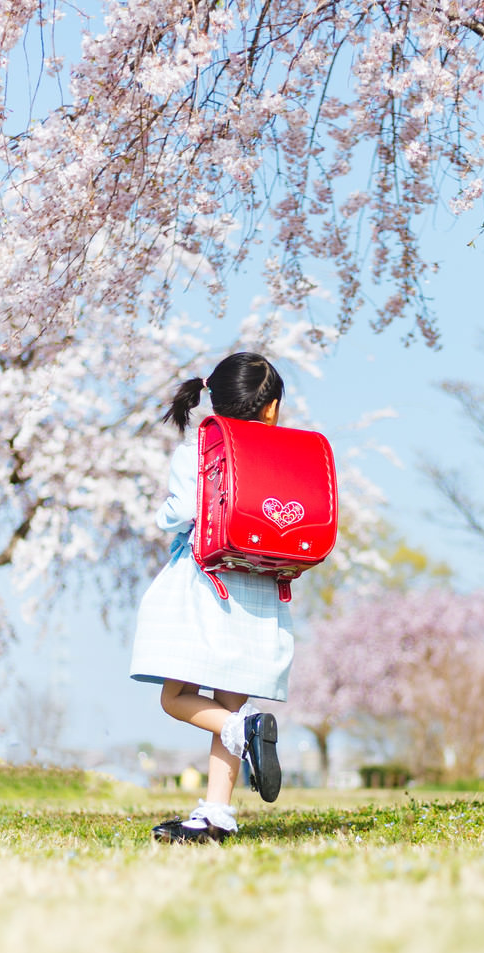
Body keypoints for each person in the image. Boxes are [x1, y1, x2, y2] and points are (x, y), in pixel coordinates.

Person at [130, 351, 294, 843]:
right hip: (261, 589)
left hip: (208, 583)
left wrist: (165, 515)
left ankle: (239, 738)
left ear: (216, 403)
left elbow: (179, 512)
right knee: (232, 705)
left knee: (175, 696)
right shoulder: (281, 451)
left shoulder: (198, 451)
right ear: (270, 408)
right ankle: (217, 813)